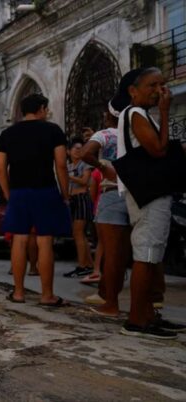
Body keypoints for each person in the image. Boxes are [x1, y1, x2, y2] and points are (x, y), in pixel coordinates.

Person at [113, 67, 184, 339]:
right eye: (152, 85)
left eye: (161, 85)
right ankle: (136, 321)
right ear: (133, 91)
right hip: (148, 195)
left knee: (152, 254)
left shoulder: (139, 114)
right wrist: (165, 113)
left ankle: (148, 315)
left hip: (152, 193)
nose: (158, 91)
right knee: (146, 254)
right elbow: (158, 150)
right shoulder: (135, 113)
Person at [0, 93, 71, 306]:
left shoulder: (7, 134)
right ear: (41, 109)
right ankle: (47, 295)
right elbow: (61, 165)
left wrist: (8, 194)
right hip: (45, 190)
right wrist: (65, 194)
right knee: (44, 241)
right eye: (46, 109)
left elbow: (0, 169)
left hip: (19, 192)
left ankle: (18, 293)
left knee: (19, 240)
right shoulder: (53, 130)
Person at [80, 103, 129, 315]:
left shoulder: (105, 134)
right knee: (132, 252)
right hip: (136, 194)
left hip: (112, 192)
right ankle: (153, 299)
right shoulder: (135, 133)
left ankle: (109, 300)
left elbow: (85, 153)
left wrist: (102, 167)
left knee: (111, 252)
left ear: (109, 117)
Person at [63, 136, 95, 277]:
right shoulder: (69, 166)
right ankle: (89, 265)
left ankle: (82, 266)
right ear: (68, 151)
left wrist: (68, 176)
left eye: (80, 149)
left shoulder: (85, 164)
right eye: (75, 149)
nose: (78, 151)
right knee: (79, 234)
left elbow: (85, 181)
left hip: (82, 198)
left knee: (79, 233)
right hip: (72, 199)